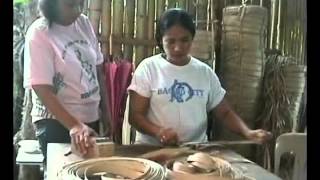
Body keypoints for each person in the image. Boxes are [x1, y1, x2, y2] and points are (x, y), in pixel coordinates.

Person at [127, 8, 272, 146]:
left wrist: (248, 133)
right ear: (160, 40)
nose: (178, 47)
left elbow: (225, 113)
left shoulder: (204, 73)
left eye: (184, 40)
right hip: (152, 149)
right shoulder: (149, 68)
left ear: (192, 38)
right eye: (170, 41)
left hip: (195, 150)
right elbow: (135, 117)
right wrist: (159, 132)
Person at [23, 0, 110, 158]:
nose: (77, 10)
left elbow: (97, 69)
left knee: (91, 171)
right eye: (70, 5)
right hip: (56, 123)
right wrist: (75, 126)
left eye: (81, 4)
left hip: (90, 118)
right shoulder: (39, 32)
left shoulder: (83, 23)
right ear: (51, 4)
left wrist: (106, 111)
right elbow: (41, 87)